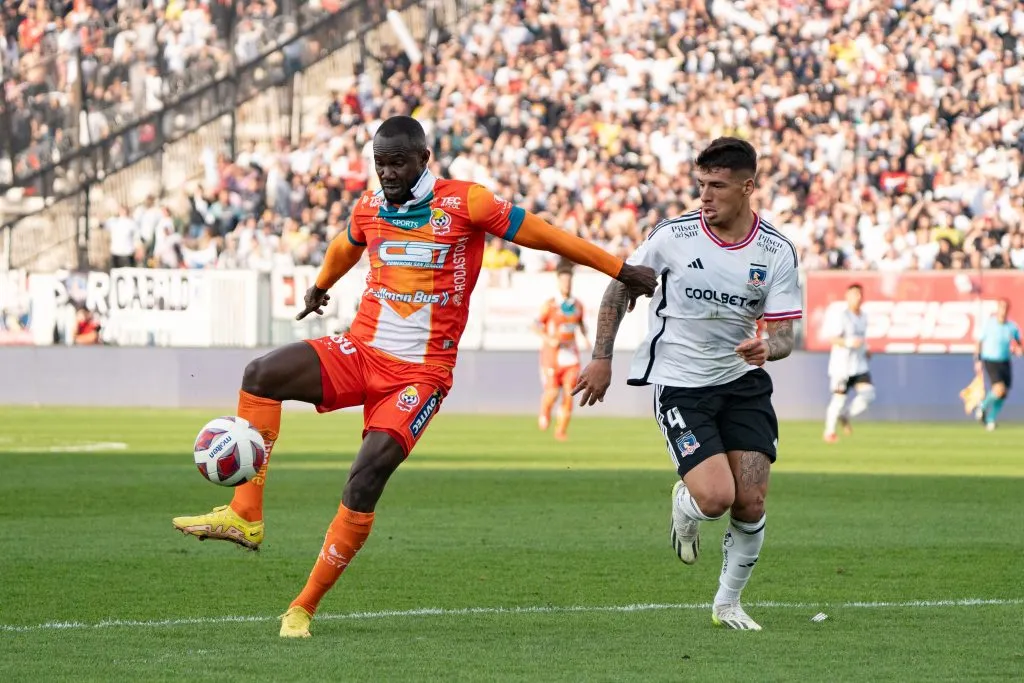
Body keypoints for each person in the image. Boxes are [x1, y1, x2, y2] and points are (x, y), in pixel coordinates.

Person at [171, 116, 657, 638]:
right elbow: (345, 244)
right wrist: (319, 285)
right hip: (359, 349)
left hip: (420, 376)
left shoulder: (465, 202)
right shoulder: (371, 206)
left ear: (424, 158)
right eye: (380, 163)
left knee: (364, 479)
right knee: (261, 374)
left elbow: (544, 235)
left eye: (398, 161)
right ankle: (246, 514)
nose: (387, 172)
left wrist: (619, 268)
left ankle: (302, 607)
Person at [572, 137, 801, 631]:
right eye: (700, 185)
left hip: (742, 381)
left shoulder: (776, 251)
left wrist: (768, 348)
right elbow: (619, 289)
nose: (705, 196)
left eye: (716, 186)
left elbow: (786, 333)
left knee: (752, 499)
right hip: (680, 382)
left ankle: (727, 604)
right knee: (716, 498)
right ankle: (686, 503)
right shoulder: (672, 237)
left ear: (747, 187)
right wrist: (601, 358)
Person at [535, 266, 590, 441]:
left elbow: (580, 324)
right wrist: (548, 339)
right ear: (558, 282)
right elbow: (536, 325)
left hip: (571, 356)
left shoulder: (577, 305)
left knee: (569, 393)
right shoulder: (551, 304)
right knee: (552, 393)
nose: (566, 284)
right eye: (563, 280)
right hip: (552, 356)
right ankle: (545, 411)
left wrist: (586, 338)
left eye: (569, 280)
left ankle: (561, 430)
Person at [823, 284, 874, 442]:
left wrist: (866, 349)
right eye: (854, 294)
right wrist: (850, 342)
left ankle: (846, 415)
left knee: (868, 395)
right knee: (838, 400)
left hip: (858, 365)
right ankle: (829, 432)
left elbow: (862, 338)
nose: (857, 297)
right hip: (841, 366)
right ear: (847, 297)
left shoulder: (864, 316)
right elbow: (833, 338)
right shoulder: (842, 316)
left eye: (859, 294)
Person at [974, 299, 1022, 431]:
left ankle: (991, 419)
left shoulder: (1012, 327)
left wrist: (1018, 349)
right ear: (998, 309)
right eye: (1001, 307)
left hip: (1005, 361)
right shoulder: (989, 325)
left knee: (1003, 393)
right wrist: (977, 360)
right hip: (991, 359)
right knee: (998, 389)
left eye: (1006, 307)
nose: (1003, 310)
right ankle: (982, 406)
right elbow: (979, 342)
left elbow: (1018, 343)